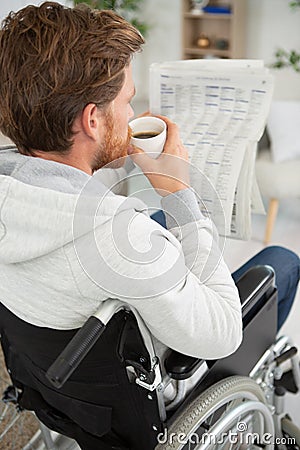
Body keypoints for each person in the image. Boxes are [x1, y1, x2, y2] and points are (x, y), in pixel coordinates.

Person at [0, 2, 299, 449]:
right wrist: (180, 195)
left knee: (155, 222)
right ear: (92, 119)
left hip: (52, 376)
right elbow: (222, 333)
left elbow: (64, 204)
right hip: (145, 396)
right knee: (282, 261)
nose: (133, 110)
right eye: (127, 100)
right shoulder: (125, 243)